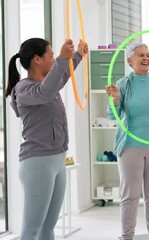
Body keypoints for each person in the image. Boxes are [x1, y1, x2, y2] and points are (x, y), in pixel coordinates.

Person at [5, 38, 87, 240]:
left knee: (48, 227)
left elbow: (63, 74)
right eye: (50, 54)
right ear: (36, 59)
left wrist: (78, 55)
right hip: (37, 163)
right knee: (32, 229)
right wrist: (62, 58)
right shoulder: (23, 90)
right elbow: (46, 92)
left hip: (58, 159)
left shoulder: (47, 84)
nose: (53, 58)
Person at [105, 42, 149, 240]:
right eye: (141, 55)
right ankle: (127, 237)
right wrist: (114, 100)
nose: (146, 58)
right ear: (130, 60)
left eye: (148, 54)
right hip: (130, 147)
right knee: (130, 196)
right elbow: (111, 116)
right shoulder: (123, 84)